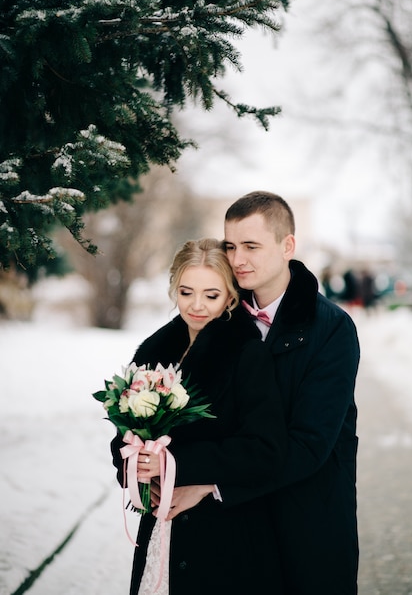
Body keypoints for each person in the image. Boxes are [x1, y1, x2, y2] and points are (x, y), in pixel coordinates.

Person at [110, 238, 287, 595]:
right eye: (187, 292)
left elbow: (265, 448)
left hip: (222, 536)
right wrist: (135, 464)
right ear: (174, 287)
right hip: (159, 526)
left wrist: (176, 464)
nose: (197, 306)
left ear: (230, 296)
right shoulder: (154, 350)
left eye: (211, 295)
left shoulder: (246, 353)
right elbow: (124, 433)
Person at [221, 191, 361, 595]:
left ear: (288, 246)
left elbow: (310, 444)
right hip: (235, 530)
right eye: (230, 246)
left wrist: (214, 487)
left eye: (251, 246)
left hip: (309, 526)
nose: (237, 260)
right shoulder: (219, 317)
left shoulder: (333, 329)